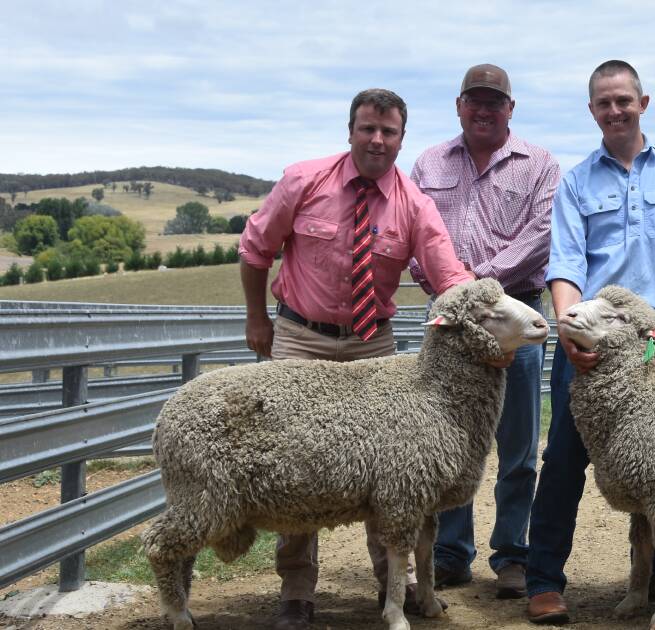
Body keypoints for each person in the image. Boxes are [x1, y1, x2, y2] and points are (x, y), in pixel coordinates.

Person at [238, 88, 475, 630]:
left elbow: (449, 276)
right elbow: (255, 249)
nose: (377, 140)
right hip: (301, 338)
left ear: (400, 140)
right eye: (368, 128)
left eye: (388, 132)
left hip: (373, 345)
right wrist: (257, 319)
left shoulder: (414, 203)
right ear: (350, 131)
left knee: (393, 468)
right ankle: (297, 591)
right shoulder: (304, 180)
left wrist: (484, 310)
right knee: (298, 466)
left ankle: (394, 585)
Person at [523, 60, 655, 624]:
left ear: (643, 103)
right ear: (592, 111)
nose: (615, 111)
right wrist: (568, 332)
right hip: (592, 337)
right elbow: (564, 264)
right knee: (565, 456)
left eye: (624, 100)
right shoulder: (576, 181)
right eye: (603, 103)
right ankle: (544, 581)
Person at [409, 63, 560, 600]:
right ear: (458, 105)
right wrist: (454, 291)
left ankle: (512, 554)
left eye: (494, 101)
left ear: (510, 109)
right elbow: (416, 234)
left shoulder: (539, 164)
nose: (483, 109)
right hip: (449, 325)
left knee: (517, 446)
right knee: (447, 440)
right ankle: (451, 552)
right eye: (474, 99)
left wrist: (478, 287)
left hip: (513, 316)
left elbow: (542, 235)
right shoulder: (428, 163)